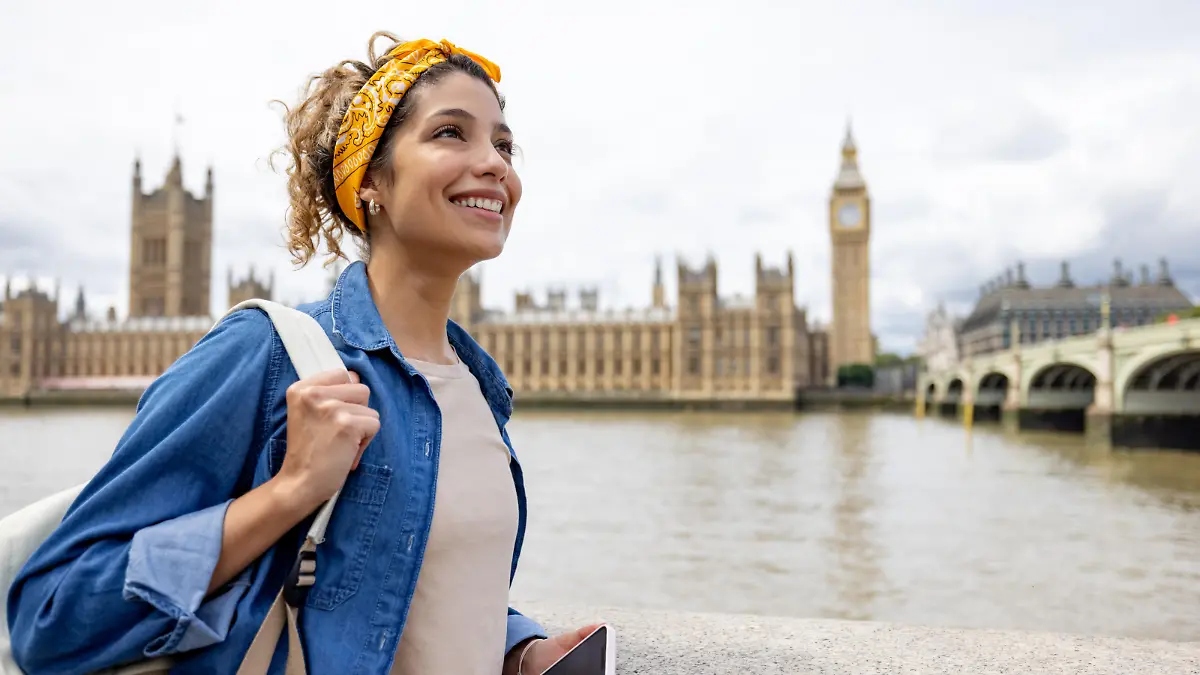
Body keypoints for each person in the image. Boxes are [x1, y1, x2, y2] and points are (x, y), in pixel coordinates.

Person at [7, 32, 599, 674]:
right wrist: (290, 490)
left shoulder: (482, 390)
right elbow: (53, 614)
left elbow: (406, 577)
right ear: (370, 178)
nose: (494, 163)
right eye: (451, 133)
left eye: (504, 143)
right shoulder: (269, 352)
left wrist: (518, 649)